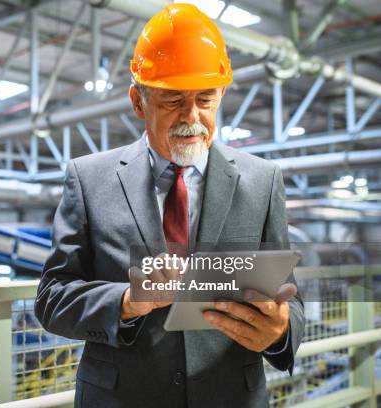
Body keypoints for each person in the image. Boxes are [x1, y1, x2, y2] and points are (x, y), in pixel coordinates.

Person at [34, 4, 304, 407]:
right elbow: (52, 297)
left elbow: (289, 299)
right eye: (173, 100)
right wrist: (127, 302)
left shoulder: (262, 181)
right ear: (138, 101)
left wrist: (281, 332)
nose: (191, 117)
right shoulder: (90, 179)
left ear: (222, 96)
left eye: (205, 99)